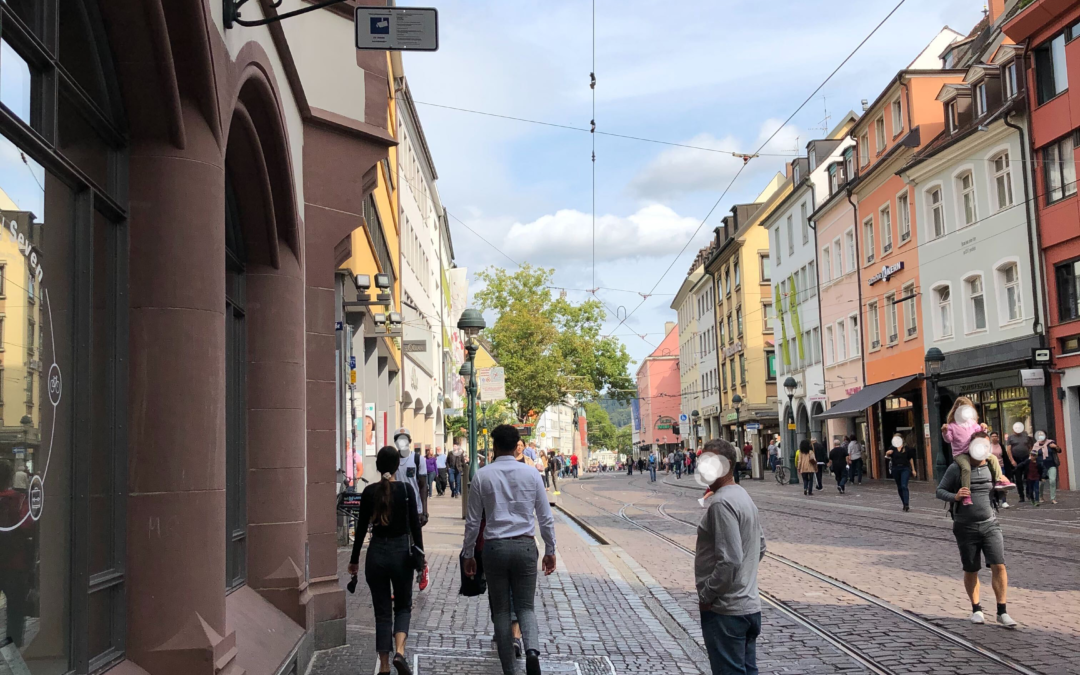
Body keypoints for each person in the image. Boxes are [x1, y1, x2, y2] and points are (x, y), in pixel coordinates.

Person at [463, 425, 557, 675]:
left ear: (494, 446)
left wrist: (469, 553)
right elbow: (545, 517)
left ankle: (509, 669)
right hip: (525, 546)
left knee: (502, 610)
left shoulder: (483, 475)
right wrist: (550, 549)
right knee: (526, 607)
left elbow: (473, 521)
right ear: (518, 446)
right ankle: (532, 652)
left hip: (494, 547)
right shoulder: (532, 474)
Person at [348, 447, 424, 675]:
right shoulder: (406, 490)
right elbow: (415, 526)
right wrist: (420, 554)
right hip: (401, 553)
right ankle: (399, 651)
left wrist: (353, 561)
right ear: (396, 466)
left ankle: (383, 665)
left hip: (376, 554)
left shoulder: (370, 492)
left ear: (378, 466)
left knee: (382, 612)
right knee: (402, 606)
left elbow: (361, 529)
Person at [695, 439, 767, 675]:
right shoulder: (742, 496)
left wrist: (708, 594)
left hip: (726, 610)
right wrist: (744, 578)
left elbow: (730, 559)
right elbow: (760, 546)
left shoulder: (721, 503)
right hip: (748, 607)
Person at [935, 434, 1017, 628]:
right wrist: (955, 496)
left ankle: (1002, 611)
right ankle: (977, 609)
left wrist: (1004, 485)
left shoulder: (991, 466)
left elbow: (1003, 484)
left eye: (986, 447)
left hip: (990, 523)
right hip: (965, 526)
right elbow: (940, 491)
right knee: (971, 568)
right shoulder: (957, 468)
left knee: (999, 565)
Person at [942, 398, 1012, 506]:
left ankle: (999, 480)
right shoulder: (952, 426)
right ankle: (966, 495)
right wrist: (945, 432)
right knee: (966, 468)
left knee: (993, 458)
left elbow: (979, 435)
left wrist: (984, 428)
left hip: (973, 451)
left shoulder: (972, 423)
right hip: (960, 453)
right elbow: (948, 440)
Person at [0, 460, 32, 647]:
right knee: (15, 608)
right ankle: (13, 645)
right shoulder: (19, 500)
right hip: (15, 563)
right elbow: (28, 526)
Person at [394, 428, 429, 589]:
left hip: (415, 508)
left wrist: (424, 510)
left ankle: (422, 568)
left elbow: (423, 485)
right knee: (400, 545)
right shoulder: (393, 459)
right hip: (397, 508)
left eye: (404, 439)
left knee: (415, 543)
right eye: (399, 439)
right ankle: (401, 583)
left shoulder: (417, 459)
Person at [884, 433, 917, 511]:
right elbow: (887, 457)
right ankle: (903, 503)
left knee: (904, 486)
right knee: (899, 487)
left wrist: (913, 469)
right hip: (895, 469)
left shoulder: (907, 448)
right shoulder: (892, 448)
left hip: (905, 468)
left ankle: (906, 504)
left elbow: (910, 459)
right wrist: (887, 453)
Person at [1032, 431, 1061, 505]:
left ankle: (1053, 498)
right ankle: (1041, 496)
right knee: (1041, 483)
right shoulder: (1036, 445)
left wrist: (1055, 447)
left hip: (1051, 465)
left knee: (1052, 481)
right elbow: (1032, 455)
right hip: (1041, 466)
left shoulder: (1051, 443)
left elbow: (1059, 450)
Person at [1007, 422, 1033, 503]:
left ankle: (1029, 493)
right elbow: (1008, 450)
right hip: (1016, 459)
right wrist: (1012, 460)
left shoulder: (1026, 437)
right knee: (1018, 479)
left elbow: (1030, 447)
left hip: (1026, 458)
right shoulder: (1010, 438)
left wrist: (1030, 457)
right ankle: (1021, 496)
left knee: (1028, 477)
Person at [989, 433, 1011, 509]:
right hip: (991, 467)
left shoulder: (1000, 446)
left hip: (1001, 467)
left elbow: (1004, 456)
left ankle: (1004, 501)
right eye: (993, 436)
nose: (994, 438)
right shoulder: (988, 446)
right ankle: (994, 500)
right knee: (992, 484)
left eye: (996, 436)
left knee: (1002, 484)